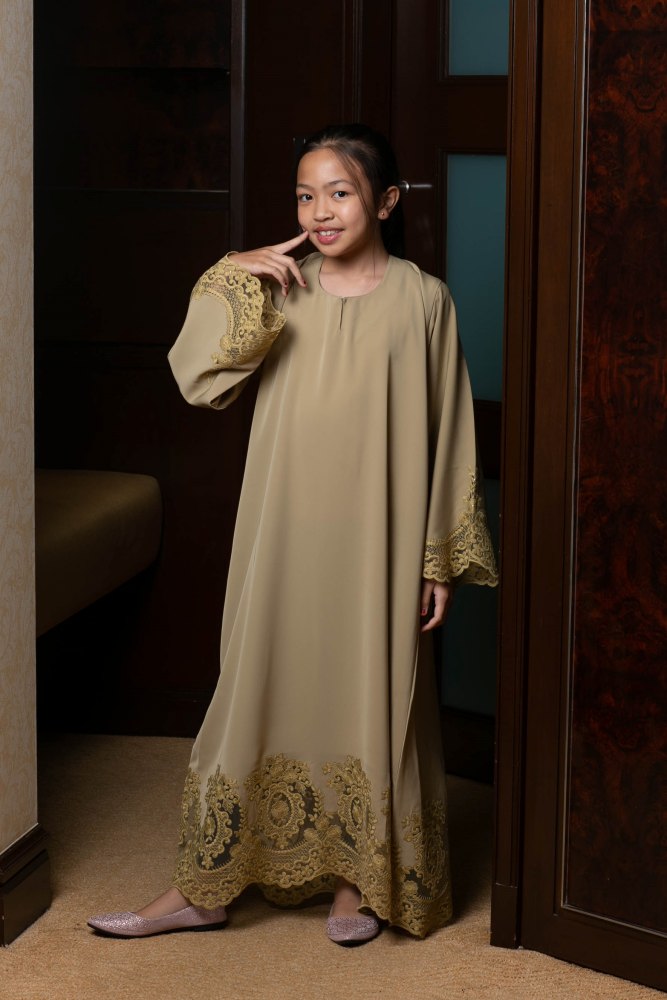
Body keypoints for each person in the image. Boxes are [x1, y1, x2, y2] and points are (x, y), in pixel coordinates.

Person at [88, 123, 498, 945]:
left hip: (381, 540)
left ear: (385, 201)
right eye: (306, 195)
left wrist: (437, 558)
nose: (320, 211)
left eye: (339, 193)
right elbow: (198, 379)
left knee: (369, 689)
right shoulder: (279, 286)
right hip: (279, 530)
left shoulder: (424, 299)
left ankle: (357, 881)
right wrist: (231, 275)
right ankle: (204, 886)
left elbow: (450, 430)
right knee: (254, 682)